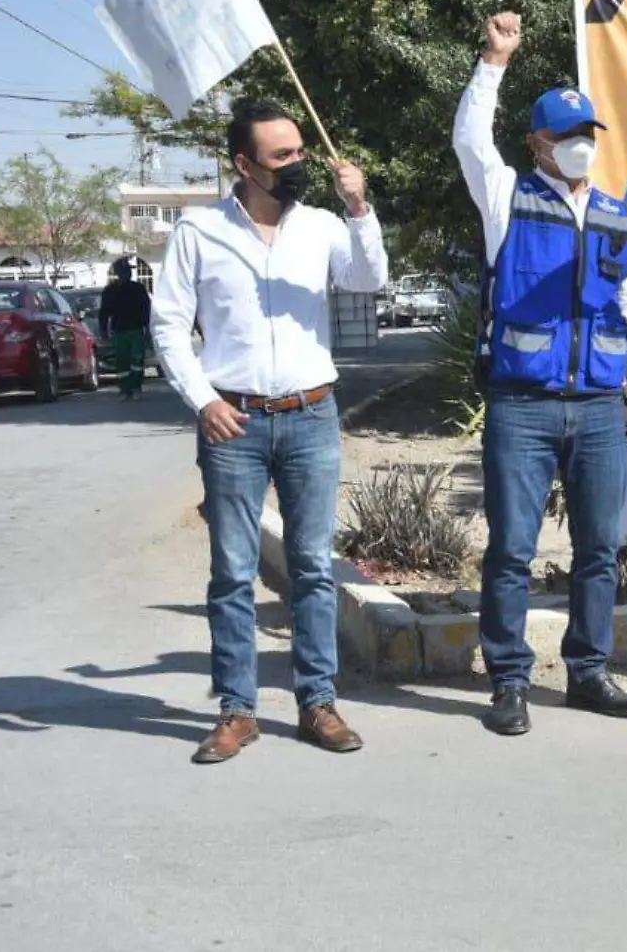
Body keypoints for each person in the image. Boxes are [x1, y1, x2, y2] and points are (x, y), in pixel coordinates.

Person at [153, 99, 386, 764]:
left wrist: (360, 208)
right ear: (244, 164)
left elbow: (370, 279)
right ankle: (236, 711)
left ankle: (318, 703)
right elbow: (169, 324)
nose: (297, 164)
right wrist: (202, 399)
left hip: (312, 415)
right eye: (281, 156)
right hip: (234, 421)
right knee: (231, 572)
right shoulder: (199, 232)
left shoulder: (319, 226)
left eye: (300, 152)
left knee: (314, 566)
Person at [454, 11, 627, 736]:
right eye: (564, 137)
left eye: (585, 137)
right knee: (511, 548)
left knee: (600, 548)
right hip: (524, 404)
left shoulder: (614, 215)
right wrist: (494, 61)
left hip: (601, 404)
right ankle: (508, 679)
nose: (578, 147)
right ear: (537, 142)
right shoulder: (507, 199)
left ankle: (588, 672)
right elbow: (470, 142)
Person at [99, 256, 151, 400]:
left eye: (129, 271)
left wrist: (148, 329)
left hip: (136, 329)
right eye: (124, 271)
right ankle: (124, 389)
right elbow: (104, 312)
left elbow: (147, 309)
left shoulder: (138, 288)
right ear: (118, 273)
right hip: (119, 330)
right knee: (122, 361)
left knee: (137, 360)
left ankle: (136, 387)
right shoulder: (110, 290)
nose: (127, 274)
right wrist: (103, 330)